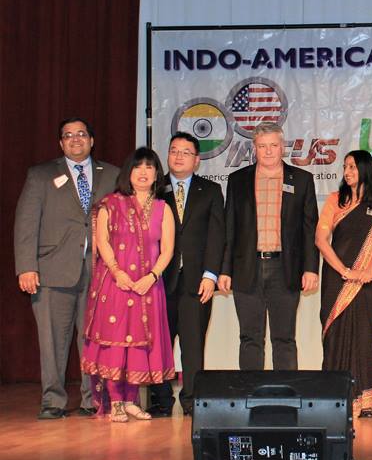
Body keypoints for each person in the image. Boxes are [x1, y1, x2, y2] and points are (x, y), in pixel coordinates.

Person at [14, 117, 119, 419]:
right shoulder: (40, 175)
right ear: (61, 143)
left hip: (100, 272)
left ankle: (92, 399)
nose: (76, 140)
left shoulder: (111, 175)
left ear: (92, 140)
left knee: (94, 340)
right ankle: (53, 401)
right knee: (52, 341)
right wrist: (26, 267)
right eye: (68, 135)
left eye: (81, 134)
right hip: (51, 272)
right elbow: (25, 225)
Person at [80, 147, 175, 422]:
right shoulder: (112, 203)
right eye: (138, 167)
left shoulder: (162, 208)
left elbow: (167, 249)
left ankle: (131, 399)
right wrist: (118, 272)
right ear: (128, 173)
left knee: (137, 343)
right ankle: (116, 402)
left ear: (157, 173)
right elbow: (102, 242)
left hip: (148, 286)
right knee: (116, 342)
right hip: (116, 283)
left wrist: (152, 276)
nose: (143, 172)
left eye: (149, 167)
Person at [218, 122, 319, 370]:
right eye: (262, 146)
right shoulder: (238, 180)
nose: (269, 151)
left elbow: (309, 229)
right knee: (250, 338)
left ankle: (285, 396)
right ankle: (252, 396)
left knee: (284, 338)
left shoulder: (302, 180)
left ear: (282, 146)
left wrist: (311, 268)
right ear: (254, 148)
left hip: (285, 268)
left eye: (274, 145)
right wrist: (224, 269)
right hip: (246, 268)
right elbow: (229, 228)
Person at [315, 150, 372, 418]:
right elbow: (321, 239)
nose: (347, 171)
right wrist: (343, 269)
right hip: (336, 277)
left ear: (365, 169)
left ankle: (365, 401)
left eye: (353, 166)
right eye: (345, 167)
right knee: (335, 335)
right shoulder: (335, 200)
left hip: (367, 281)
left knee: (363, 337)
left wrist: (369, 271)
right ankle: (336, 396)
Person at [146, 133, 225, 417]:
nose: (178, 157)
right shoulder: (154, 188)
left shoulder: (211, 190)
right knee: (158, 345)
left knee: (193, 346)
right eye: (174, 151)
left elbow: (218, 236)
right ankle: (161, 400)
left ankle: (192, 401)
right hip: (158, 281)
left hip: (196, 281)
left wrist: (211, 275)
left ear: (197, 159)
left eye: (185, 152)